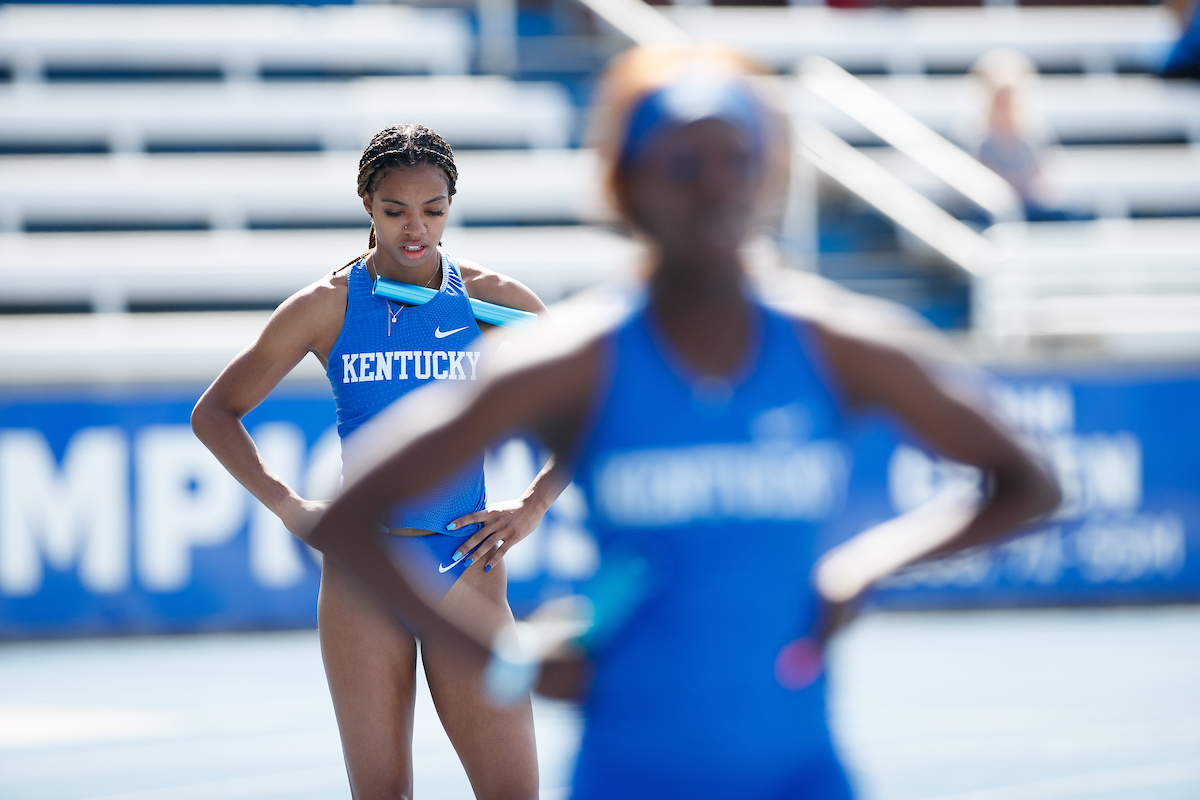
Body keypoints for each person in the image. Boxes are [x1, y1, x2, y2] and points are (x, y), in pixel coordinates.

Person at [303, 48, 1062, 799]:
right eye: (682, 164)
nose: (714, 186)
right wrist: (514, 658)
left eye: (736, 159)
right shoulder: (575, 360)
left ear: (770, 176)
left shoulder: (835, 344)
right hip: (627, 774)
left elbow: (1027, 482)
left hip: (800, 776)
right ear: (624, 185)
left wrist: (860, 569)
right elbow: (350, 520)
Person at [191, 124, 558, 800]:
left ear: (452, 204)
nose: (415, 228)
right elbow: (214, 413)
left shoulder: (492, 301)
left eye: (434, 209)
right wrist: (288, 505)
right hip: (365, 577)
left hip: (467, 571)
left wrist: (533, 502)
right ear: (367, 202)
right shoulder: (326, 306)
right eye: (395, 210)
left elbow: (594, 405)